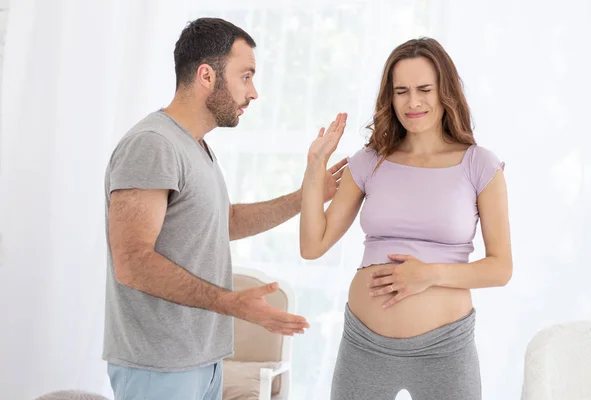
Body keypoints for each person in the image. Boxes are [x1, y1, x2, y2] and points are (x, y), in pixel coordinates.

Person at [102, 17, 347, 400]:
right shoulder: (152, 144)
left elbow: (225, 221)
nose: (253, 92)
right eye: (245, 76)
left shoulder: (195, 147)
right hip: (160, 366)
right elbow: (132, 262)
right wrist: (232, 304)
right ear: (206, 75)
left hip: (203, 361)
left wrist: (305, 198)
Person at [300, 37, 512, 400]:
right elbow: (312, 245)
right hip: (364, 344)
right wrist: (314, 169)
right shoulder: (369, 161)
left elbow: (500, 268)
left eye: (424, 89)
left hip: (444, 350)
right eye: (401, 91)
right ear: (390, 97)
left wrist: (429, 275)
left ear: (445, 91)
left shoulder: (480, 165)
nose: (413, 102)